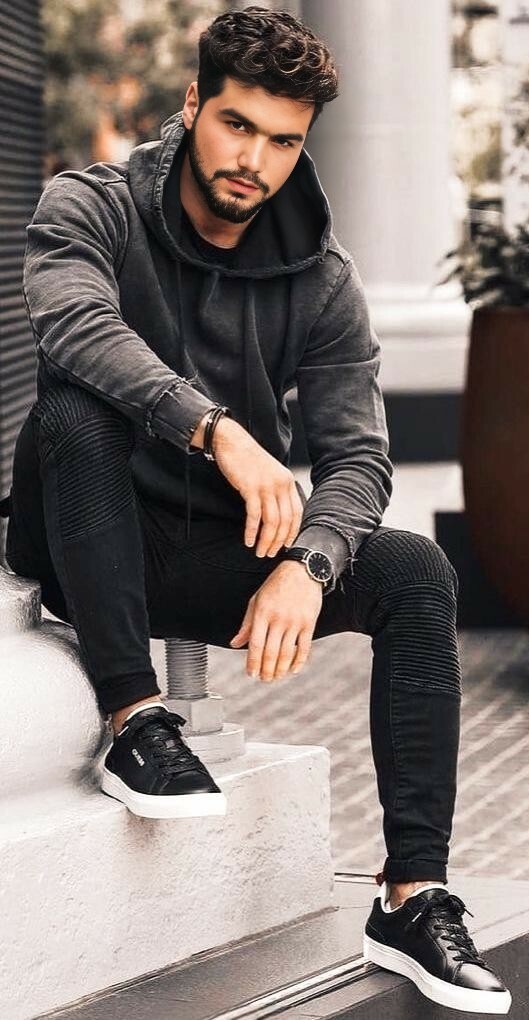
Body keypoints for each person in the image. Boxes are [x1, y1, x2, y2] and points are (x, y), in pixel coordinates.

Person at [0, 6, 511, 1014]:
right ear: (194, 104)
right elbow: (72, 324)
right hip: (83, 530)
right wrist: (217, 430)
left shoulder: (319, 276)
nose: (254, 161)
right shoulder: (90, 206)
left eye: (283, 140)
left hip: (203, 552)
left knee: (415, 572)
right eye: (238, 125)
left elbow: (358, 455)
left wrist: (310, 563)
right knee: (74, 407)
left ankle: (411, 897)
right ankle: (134, 717)